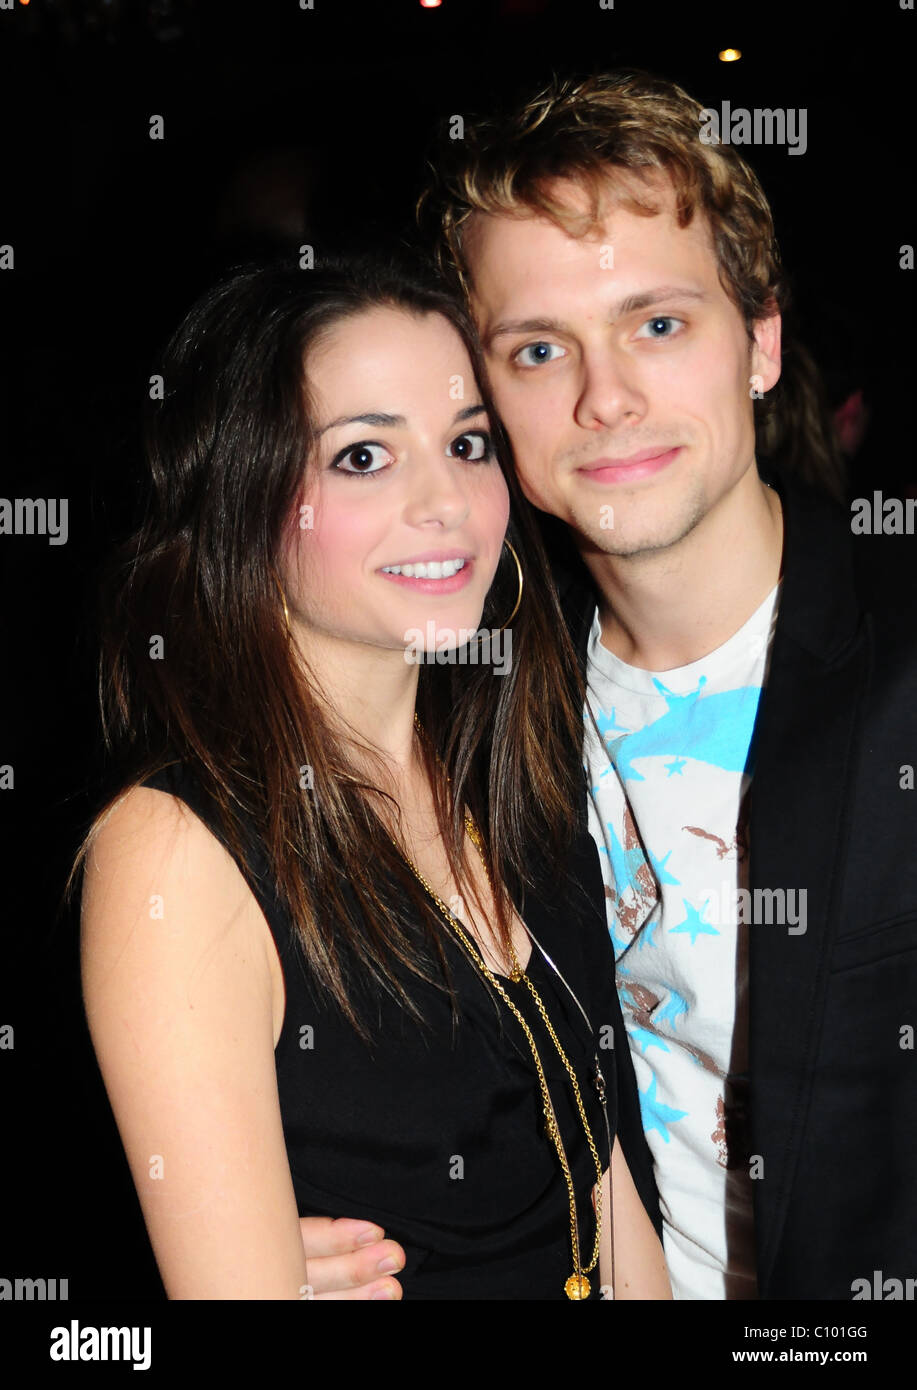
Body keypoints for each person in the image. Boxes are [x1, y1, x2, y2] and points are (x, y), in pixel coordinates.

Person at [72, 252, 671, 1300]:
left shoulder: (510, 775)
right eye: (361, 457)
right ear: (244, 499)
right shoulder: (177, 852)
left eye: (467, 443)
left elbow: (604, 1176)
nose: (444, 501)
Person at [408, 68, 917, 1300]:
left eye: (656, 322)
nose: (605, 396)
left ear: (761, 341)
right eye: (538, 349)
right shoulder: (463, 708)